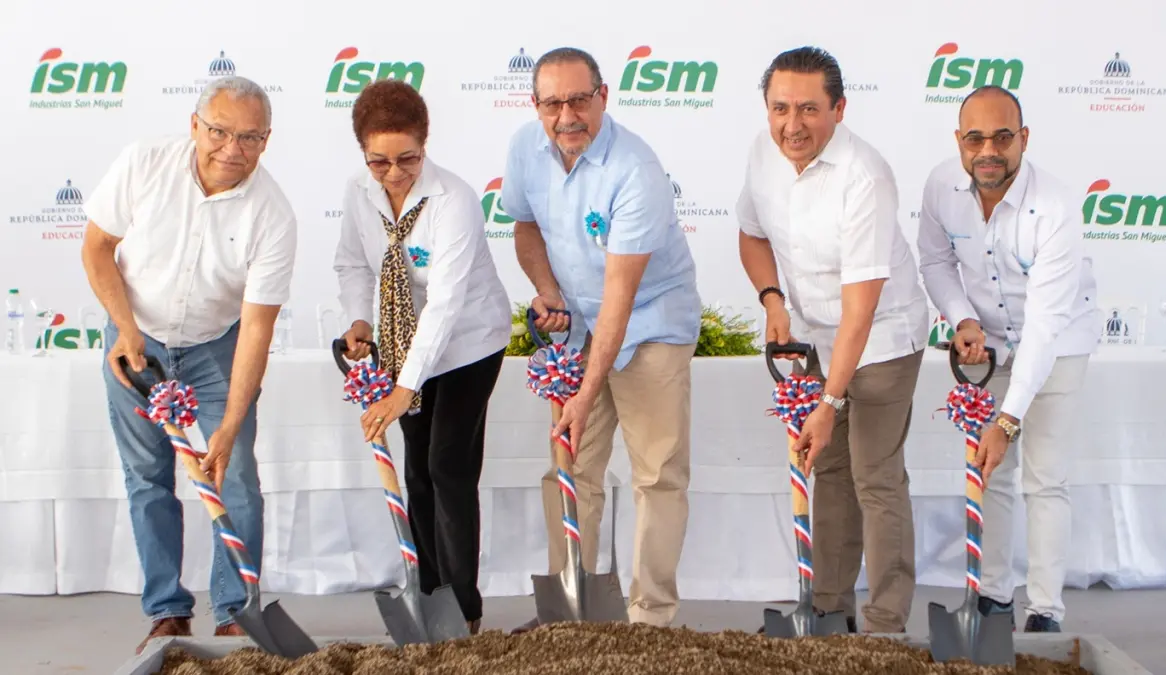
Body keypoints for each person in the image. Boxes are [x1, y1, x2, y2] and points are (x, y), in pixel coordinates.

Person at [79, 76, 296, 654]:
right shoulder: (143, 163)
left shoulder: (273, 215)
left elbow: (256, 327)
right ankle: (167, 612)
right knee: (147, 476)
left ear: (267, 140)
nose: (232, 149)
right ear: (195, 126)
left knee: (239, 476)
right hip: (135, 336)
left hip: (216, 344)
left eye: (249, 137)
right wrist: (125, 329)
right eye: (219, 131)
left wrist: (227, 427)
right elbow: (97, 247)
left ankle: (235, 611)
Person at [500, 46, 702, 630]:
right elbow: (525, 225)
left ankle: (650, 619)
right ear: (535, 105)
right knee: (569, 468)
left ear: (603, 97)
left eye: (580, 100)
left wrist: (586, 394)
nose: (568, 115)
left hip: (650, 322)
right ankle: (570, 613)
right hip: (580, 324)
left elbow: (620, 297)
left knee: (657, 474)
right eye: (553, 102)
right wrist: (547, 289)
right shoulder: (524, 148)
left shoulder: (635, 170)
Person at [735, 47, 928, 634]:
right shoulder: (763, 154)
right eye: (780, 108)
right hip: (817, 340)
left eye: (810, 110)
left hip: (882, 340)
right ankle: (826, 609)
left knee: (874, 474)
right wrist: (772, 298)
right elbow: (750, 235)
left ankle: (885, 620)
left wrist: (829, 402)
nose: (793, 125)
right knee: (832, 469)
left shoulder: (864, 176)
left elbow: (860, 311)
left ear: (839, 108)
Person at [917, 85, 1099, 633]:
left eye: (1002, 137)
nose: (988, 150)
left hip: (1058, 344)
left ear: (1023, 138)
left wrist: (1007, 418)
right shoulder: (940, 187)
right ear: (959, 141)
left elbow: (1044, 326)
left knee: (1044, 480)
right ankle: (992, 601)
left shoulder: (1057, 205)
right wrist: (963, 319)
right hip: (989, 346)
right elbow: (935, 261)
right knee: (989, 473)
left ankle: (1044, 611)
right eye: (975, 138)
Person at [332, 79, 512, 635]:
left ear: (426, 142)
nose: (392, 173)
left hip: (468, 343)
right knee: (417, 471)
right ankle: (429, 592)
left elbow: (446, 304)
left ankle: (465, 608)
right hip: (402, 342)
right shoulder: (358, 193)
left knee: (447, 466)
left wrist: (403, 389)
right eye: (378, 160)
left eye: (407, 158)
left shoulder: (454, 199)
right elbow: (353, 265)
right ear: (362, 150)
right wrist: (360, 322)